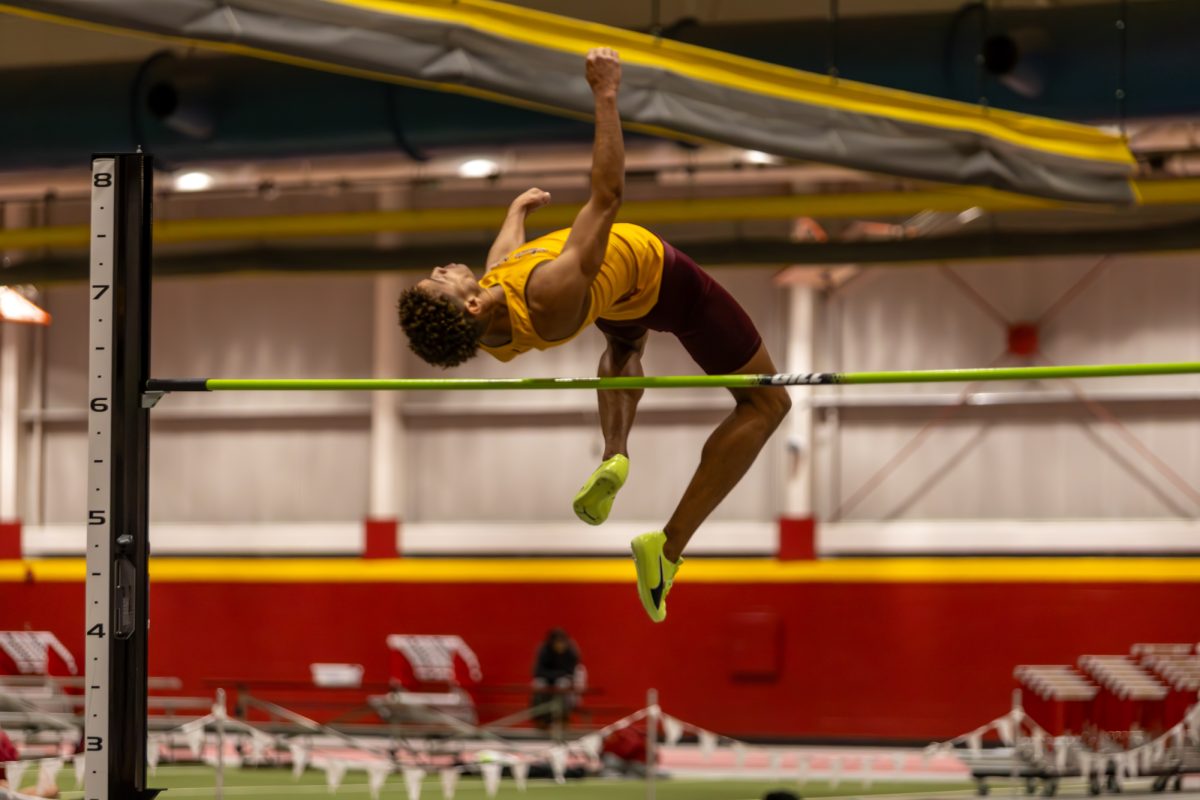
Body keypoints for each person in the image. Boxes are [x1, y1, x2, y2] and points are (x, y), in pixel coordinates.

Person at [397, 48, 791, 622]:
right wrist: (605, 96)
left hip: (618, 304)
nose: (440, 270)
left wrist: (516, 212)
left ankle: (615, 455)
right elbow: (606, 196)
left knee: (625, 344)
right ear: (473, 302)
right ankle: (668, 547)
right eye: (439, 281)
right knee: (767, 402)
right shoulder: (548, 292)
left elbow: (499, 263)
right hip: (662, 277)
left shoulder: (484, 329)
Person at [530, 628, 583, 729]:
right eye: (557, 642)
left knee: (563, 684)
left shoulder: (571, 652)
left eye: (562, 642)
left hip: (562, 682)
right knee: (539, 684)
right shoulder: (544, 651)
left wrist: (557, 675)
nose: (560, 645)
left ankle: (563, 717)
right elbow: (538, 672)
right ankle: (541, 718)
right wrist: (557, 675)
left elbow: (571, 673)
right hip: (546, 681)